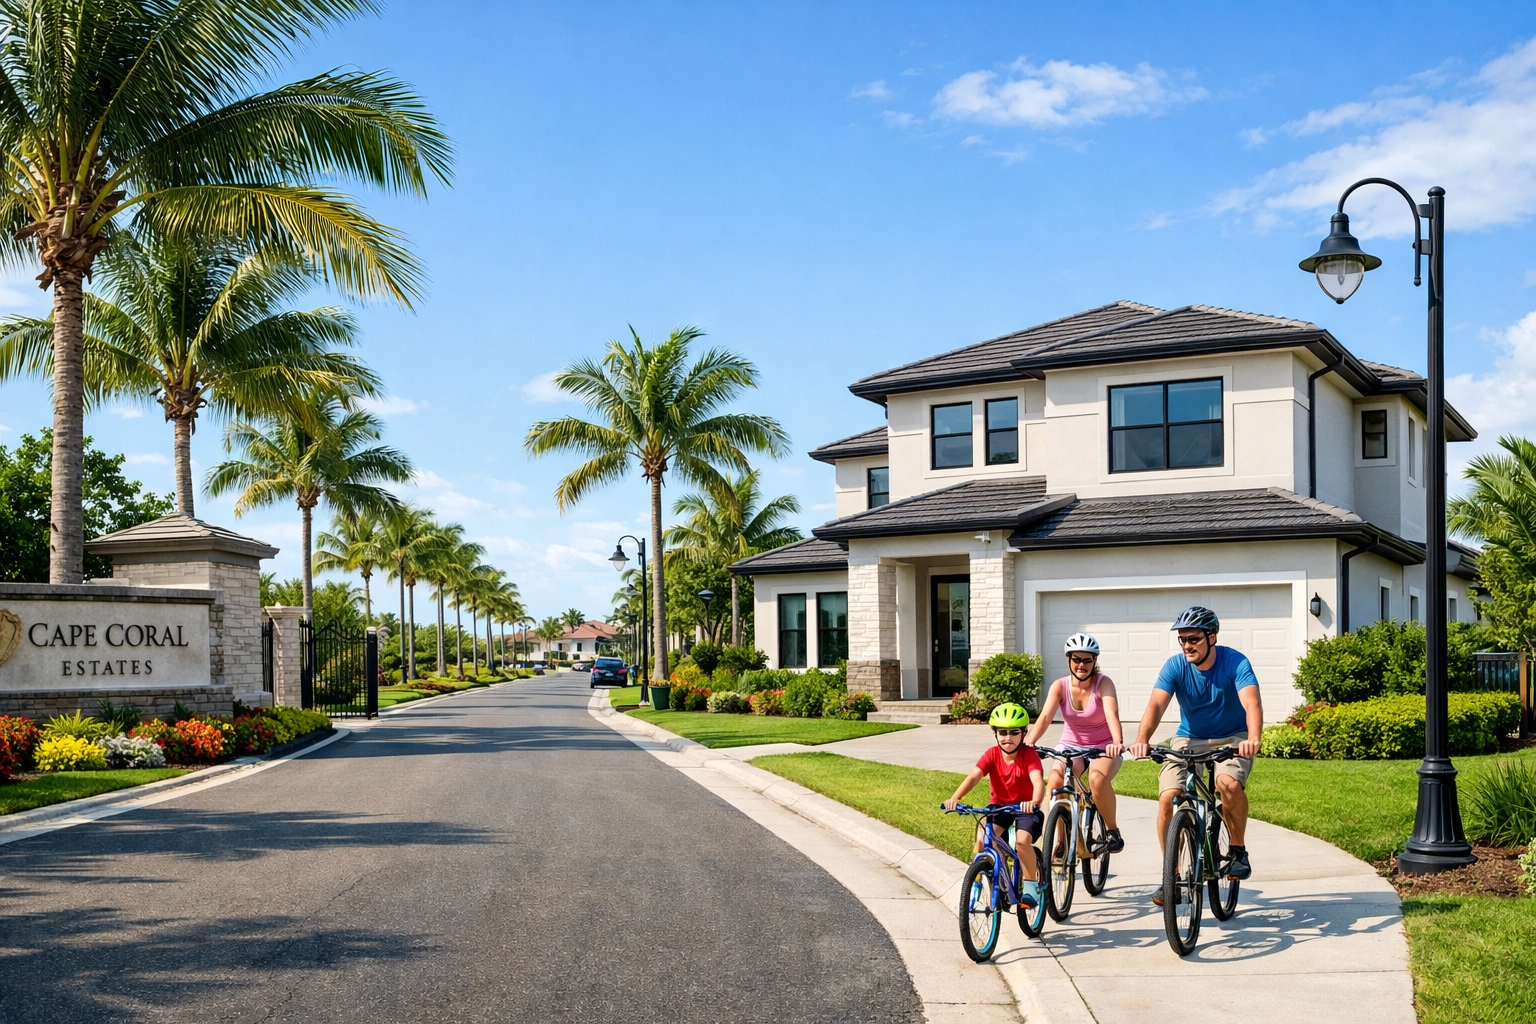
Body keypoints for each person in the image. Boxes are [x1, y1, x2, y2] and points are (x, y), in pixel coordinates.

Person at [1127, 606, 1263, 896]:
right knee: (1168, 798)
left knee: (1227, 784)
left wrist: (1253, 738)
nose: (1187, 645)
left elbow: (1251, 702)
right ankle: (1172, 876)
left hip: (1233, 737)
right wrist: (1142, 739)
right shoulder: (1175, 666)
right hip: (1189, 737)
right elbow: (1156, 705)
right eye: (1183, 639)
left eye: (1194, 639)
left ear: (1211, 637)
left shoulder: (1235, 662)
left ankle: (1237, 850)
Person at [1024, 633, 1125, 853]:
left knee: (1096, 779)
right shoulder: (1059, 686)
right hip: (1071, 746)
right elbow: (1045, 717)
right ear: (1068, 659)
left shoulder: (1103, 683)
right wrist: (1029, 742)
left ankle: (1112, 831)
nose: (1082, 665)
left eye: (1087, 660)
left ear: (1094, 661)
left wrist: (1117, 742)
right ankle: (1060, 840)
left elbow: (1112, 715)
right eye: (1077, 659)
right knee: (1055, 782)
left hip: (1103, 747)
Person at [943, 702, 1046, 909]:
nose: (1008, 738)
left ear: (1024, 733)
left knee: (1022, 842)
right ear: (995, 734)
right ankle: (993, 881)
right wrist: (955, 798)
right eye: (1002, 732)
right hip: (999, 807)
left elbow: (1038, 781)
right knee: (983, 841)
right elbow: (974, 776)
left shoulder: (1029, 755)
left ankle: (1030, 885)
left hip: (1025, 809)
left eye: (1014, 732)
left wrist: (1035, 802)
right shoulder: (991, 754)